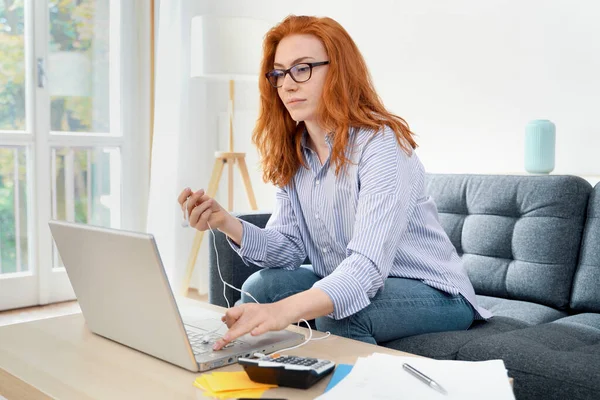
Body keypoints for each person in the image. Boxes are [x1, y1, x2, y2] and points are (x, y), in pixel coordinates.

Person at [178, 15, 491, 351]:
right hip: (367, 282)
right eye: (280, 73)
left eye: (303, 68)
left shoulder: (381, 145)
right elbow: (288, 248)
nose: (288, 84)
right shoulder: (297, 153)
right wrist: (226, 223)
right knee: (262, 287)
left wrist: (281, 312)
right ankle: (265, 376)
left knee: (343, 312)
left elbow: (365, 267)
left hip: (436, 292)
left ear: (338, 71)